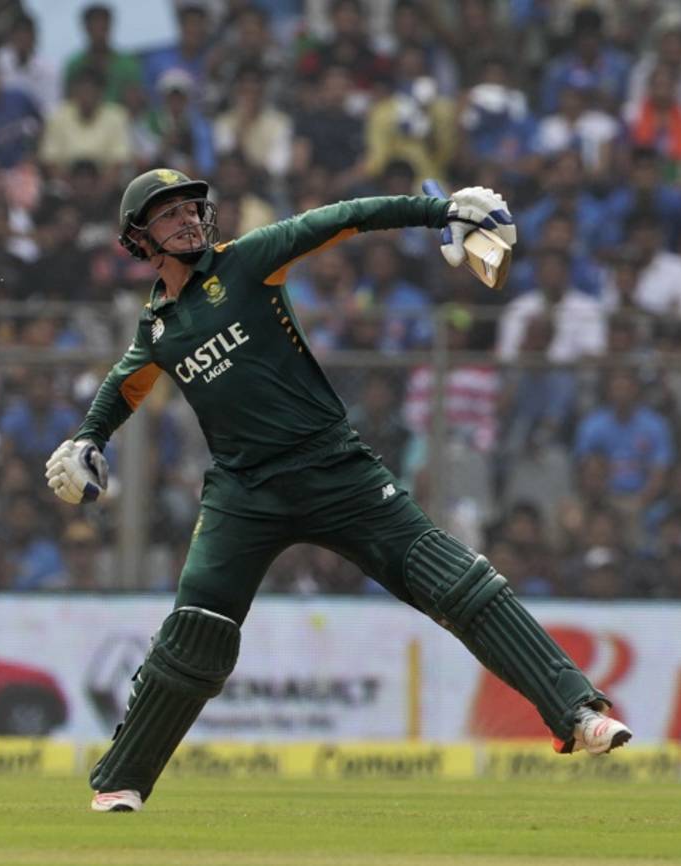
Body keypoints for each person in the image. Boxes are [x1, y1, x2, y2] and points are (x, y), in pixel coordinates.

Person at [44, 168, 632, 813]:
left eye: (192, 207)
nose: (187, 219)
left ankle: (578, 711)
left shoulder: (247, 262)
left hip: (335, 469)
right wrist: (87, 439)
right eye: (168, 214)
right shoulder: (157, 326)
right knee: (196, 633)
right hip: (243, 493)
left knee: (458, 583)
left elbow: (342, 217)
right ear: (139, 239)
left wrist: (439, 211)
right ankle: (121, 781)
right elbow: (126, 383)